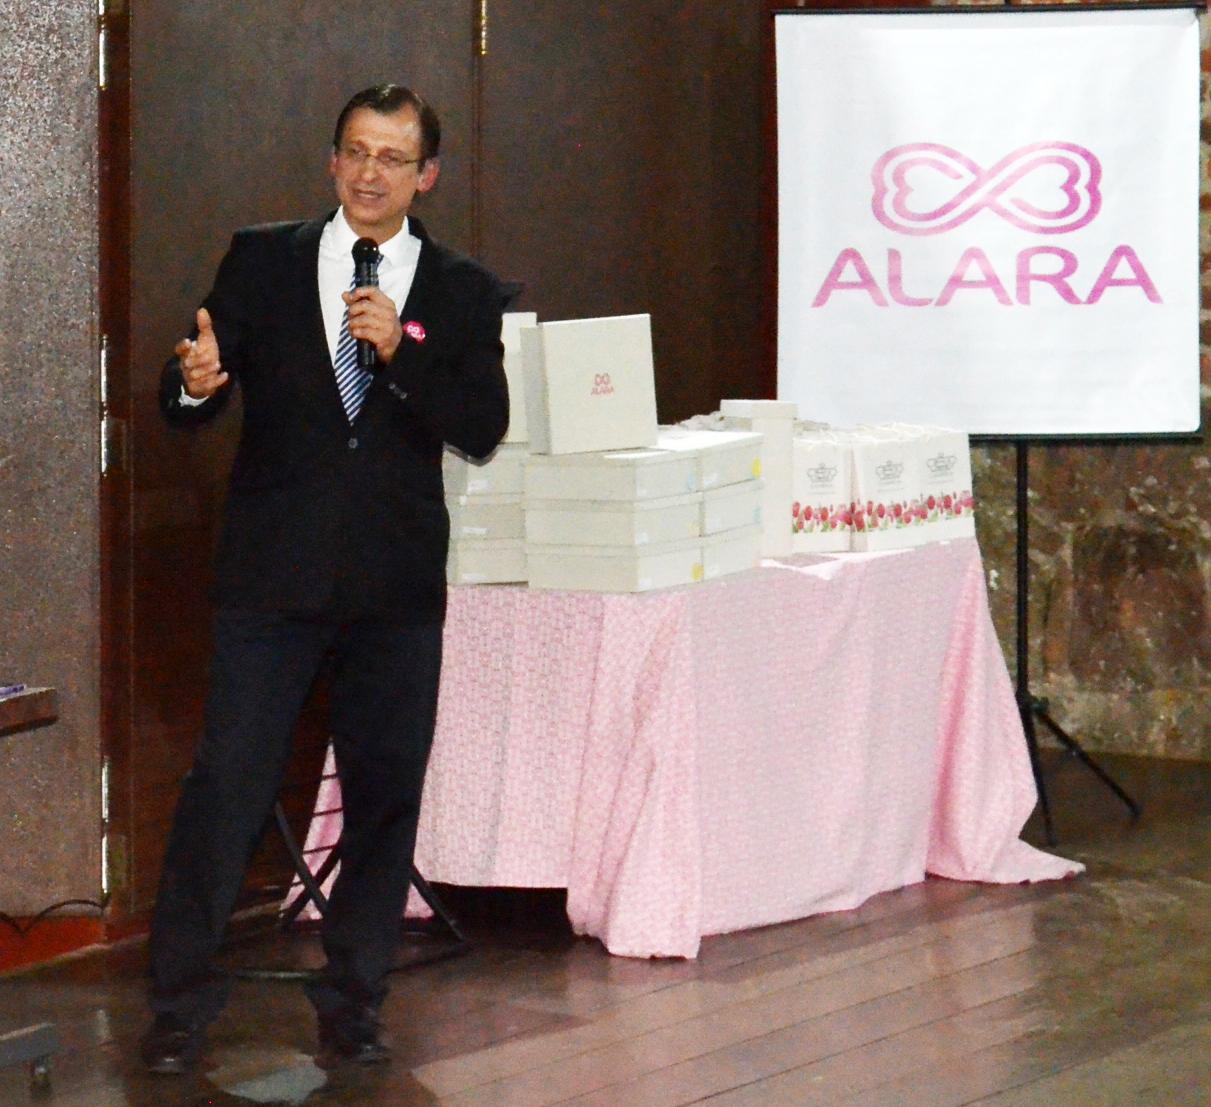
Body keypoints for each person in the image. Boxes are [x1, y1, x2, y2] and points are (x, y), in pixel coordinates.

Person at [140, 84, 510, 1074]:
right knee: (227, 785)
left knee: (384, 797)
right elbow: (187, 381)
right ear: (332, 160)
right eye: (356, 152)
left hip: (393, 587)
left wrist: (400, 355)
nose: (370, 173)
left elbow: (482, 426)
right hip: (272, 579)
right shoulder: (262, 258)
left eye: (393, 158)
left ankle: (353, 1002)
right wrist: (192, 383)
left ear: (426, 175)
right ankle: (175, 1004)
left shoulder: (461, 291)